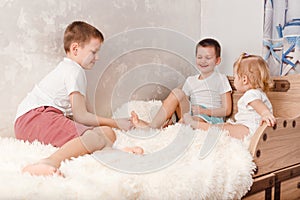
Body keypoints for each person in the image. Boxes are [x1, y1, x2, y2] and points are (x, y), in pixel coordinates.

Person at [14, 21, 143, 177]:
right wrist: (116, 122)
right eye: (94, 52)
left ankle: (112, 153)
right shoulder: (74, 71)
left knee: (106, 133)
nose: (97, 57)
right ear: (75, 49)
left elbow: (81, 117)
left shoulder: (69, 69)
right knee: (94, 136)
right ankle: (48, 162)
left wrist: (113, 126)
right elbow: (81, 116)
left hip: (30, 122)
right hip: (35, 117)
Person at [131, 38, 232, 128]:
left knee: (191, 121)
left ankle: (174, 128)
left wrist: (204, 111)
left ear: (217, 60)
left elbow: (227, 110)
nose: (203, 61)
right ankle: (153, 126)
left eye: (208, 58)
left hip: (210, 117)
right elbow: (182, 104)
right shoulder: (190, 80)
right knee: (177, 92)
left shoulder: (220, 79)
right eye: (199, 57)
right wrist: (172, 114)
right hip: (191, 113)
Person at [182, 53, 276, 139]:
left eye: (235, 78)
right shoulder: (258, 93)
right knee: (225, 127)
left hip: (249, 130)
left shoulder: (251, 94)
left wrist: (265, 113)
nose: (234, 81)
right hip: (245, 126)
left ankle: (193, 124)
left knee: (217, 129)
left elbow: (257, 104)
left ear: (244, 80)